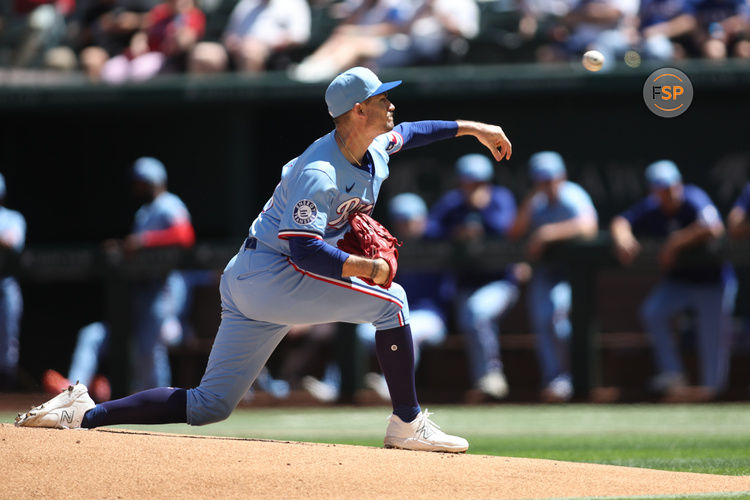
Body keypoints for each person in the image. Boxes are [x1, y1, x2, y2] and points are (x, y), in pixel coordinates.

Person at [16, 66, 512, 454]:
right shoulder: (317, 171)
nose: (391, 104)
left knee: (209, 405)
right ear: (358, 111)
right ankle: (407, 423)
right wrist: (369, 268)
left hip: (253, 278)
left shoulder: (376, 144)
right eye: (382, 97)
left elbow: (416, 131)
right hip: (272, 273)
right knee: (393, 302)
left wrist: (476, 129)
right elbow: (306, 251)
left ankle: (82, 413)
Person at [42, 157, 196, 398]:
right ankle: (72, 393)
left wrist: (142, 242)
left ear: (151, 181)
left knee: (148, 351)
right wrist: (123, 247)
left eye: (139, 183)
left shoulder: (169, 204)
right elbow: (136, 247)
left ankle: (161, 402)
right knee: (92, 336)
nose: (135, 189)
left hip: (160, 293)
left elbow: (184, 235)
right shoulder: (144, 213)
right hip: (135, 294)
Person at [301, 192, 453, 403]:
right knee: (361, 332)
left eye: (410, 220)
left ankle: (388, 386)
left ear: (422, 219)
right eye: (400, 220)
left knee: (410, 330)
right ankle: (334, 385)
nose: (405, 225)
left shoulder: (438, 240)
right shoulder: (387, 245)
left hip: (430, 315)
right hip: (394, 310)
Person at [610, 160, 736, 399]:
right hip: (679, 282)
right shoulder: (651, 207)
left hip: (713, 282)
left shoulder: (693, 197)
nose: (667, 193)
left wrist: (676, 241)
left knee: (712, 339)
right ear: (653, 191)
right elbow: (621, 221)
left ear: (679, 184)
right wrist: (623, 237)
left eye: (670, 187)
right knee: (653, 312)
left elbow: (714, 227)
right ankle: (673, 373)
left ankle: (714, 393)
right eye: (661, 188)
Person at [425, 154, 522, 400]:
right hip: (465, 283)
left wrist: (482, 214)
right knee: (471, 315)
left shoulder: (500, 199)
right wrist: (454, 231)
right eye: (468, 182)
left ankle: (491, 375)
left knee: (477, 312)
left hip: (500, 280)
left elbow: (508, 230)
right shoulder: (453, 203)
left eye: (478, 182)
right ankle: (484, 381)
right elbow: (428, 230)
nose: (473, 187)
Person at [508, 151, 598, 402]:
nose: (547, 185)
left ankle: (574, 378)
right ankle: (555, 380)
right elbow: (514, 232)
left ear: (562, 177)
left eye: (551, 179)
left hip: (574, 275)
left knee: (559, 317)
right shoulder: (535, 201)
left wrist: (549, 232)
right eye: (541, 180)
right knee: (542, 321)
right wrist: (530, 203)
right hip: (545, 274)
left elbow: (589, 227)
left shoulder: (573, 195)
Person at [188, 0, 311, 74]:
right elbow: (230, 34)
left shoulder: (294, 3)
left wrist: (266, 44)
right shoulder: (246, 4)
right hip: (238, 51)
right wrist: (233, 42)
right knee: (203, 53)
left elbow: (299, 36)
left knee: (249, 53)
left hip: (273, 54)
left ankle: (248, 110)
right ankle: (205, 109)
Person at [0, 173, 26, 390]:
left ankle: (6, 394)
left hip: (5, 283)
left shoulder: (12, 217)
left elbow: (12, 241)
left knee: (8, 342)